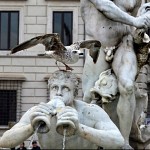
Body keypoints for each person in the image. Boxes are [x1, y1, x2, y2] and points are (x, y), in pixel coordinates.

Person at [81, 0, 150, 148]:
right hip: (98, 45)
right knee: (88, 96)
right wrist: (136, 20)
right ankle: (89, 142)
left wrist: (144, 20)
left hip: (124, 43)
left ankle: (124, 143)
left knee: (128, 85)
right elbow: (104, 6)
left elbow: (139, 16)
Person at [0, 70, 124, 149]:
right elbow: (4, 142)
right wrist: (31, 127)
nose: (58, 93)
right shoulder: (38, 112)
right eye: (54, 88)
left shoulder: (90, 111)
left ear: (75, 93)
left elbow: (118, 141)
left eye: (65, 88)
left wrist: (80, 129)